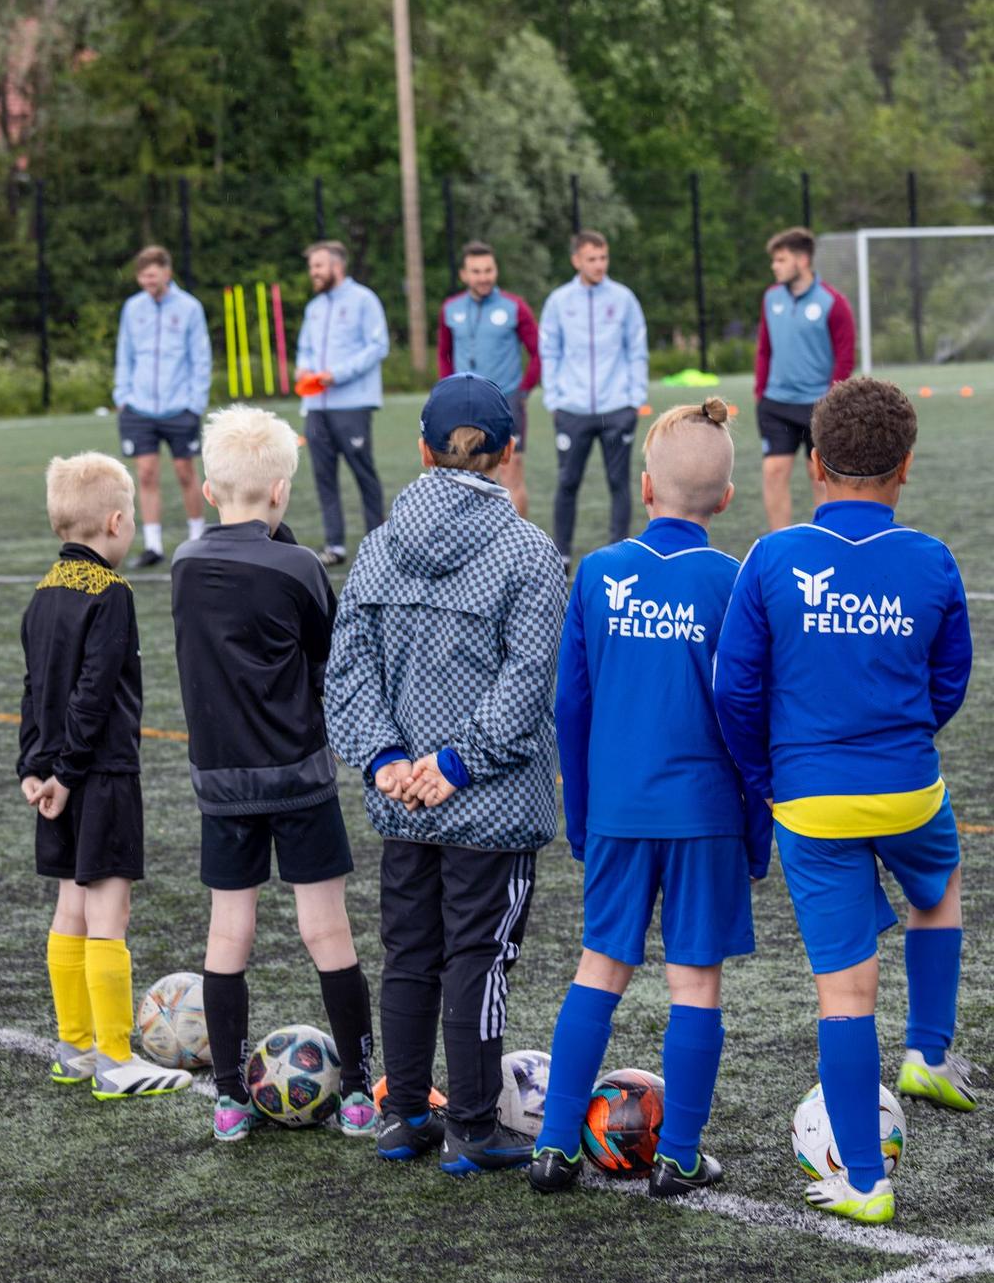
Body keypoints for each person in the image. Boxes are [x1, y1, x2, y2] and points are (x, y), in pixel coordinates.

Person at [714, 377, 974, 1227]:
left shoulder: (772, 556)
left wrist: (768, 777)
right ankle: (928, 1051)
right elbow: (950, 681)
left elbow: (734, 691)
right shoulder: (932, 558)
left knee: (847, 993)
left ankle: (865, 1180)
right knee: (939, 888)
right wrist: (899, 734)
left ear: (815, 464)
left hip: (810, 801)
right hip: (909, 790)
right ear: (906, 467)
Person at [324, 373, 566, 1176]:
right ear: (507, 453)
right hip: (489, 805)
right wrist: (457, 762)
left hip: (405, 801)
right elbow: (529, 680)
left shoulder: (379, 545)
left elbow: (347, 670)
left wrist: (387, 759)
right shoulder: (528, 551)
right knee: (478, 958)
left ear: (424, 451)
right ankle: (470, 1124)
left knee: (409, 952)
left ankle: (403, 1114)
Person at [529, 400, 771, 1197]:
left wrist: (583, 816)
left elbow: (570, 706)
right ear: (727, 497)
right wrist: (757, 830)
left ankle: (554, 1147)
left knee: (598, 967)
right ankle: (681, 1156)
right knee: (694, 981)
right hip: (707, 815)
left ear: (643, 486)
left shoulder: (599, 572)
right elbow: (751, 714)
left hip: (620, 813)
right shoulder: (734, 581)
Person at [170, 405, 378, 1143]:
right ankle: (359, 1092)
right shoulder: (299, 565)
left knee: (229, 933)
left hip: (222, 780)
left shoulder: (183, 564)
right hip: (298, 775)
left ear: (208, 490)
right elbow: (328, 658)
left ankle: (229, 1099)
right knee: (327, 928)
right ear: (282, 490)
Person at [17, 452, 192, 1099]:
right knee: (109, 911)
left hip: (57, 778)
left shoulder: (42, 593)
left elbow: (33, 690)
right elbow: (93, 694)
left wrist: (35, 768)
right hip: (102, 772)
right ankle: (117, 1059)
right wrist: (68, 771)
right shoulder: (112, 592)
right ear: (117, 523)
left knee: (71, 904)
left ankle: (76, 1048)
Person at [539, 229, 648, 569]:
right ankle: (562, 555)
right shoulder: (558, 302)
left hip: (617, 408)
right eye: (592, 259)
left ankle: (618, 555)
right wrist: (555, 399)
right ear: (576, 261)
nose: (599, 265)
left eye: (603, 258)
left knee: (619, 483)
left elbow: (637, 350)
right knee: (567, 482)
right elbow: (549, 352)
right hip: (572, 410)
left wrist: (634, 399)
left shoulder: (624, 299)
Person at [113, 245, 212, 568]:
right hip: (139, 408)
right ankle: (153, 545)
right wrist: (122, 396)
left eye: (153, 275)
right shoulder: (132, 308)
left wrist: (195, 403)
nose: (147, 282)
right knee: (145, 474)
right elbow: (125, 353)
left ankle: (197, 539)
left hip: (180, 407)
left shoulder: (189, 308)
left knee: (185, 472)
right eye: (142, 276)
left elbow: (200, 357)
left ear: (167, 273)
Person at [295, 240, 389, 567]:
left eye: (318, 266)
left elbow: (378, 346)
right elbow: (305, 348)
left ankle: (379, 543)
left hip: (352, 404)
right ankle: (334, 545)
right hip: (316, 406)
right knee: (324, 476)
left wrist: (338, 375)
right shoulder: (314, 308)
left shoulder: (364, 300)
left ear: (337, 266)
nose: (314, 272)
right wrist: (303, 368)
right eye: (312, 267)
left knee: (364, 474)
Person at [755, 227, 855, 532]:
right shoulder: (771, 298)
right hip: (776, 403)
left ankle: (824, 541)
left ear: (802, 260)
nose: (774, 266)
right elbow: (764, 349)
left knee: (819, 476)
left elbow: (845, 356)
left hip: (818, 406)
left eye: (781, 260)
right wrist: (761, 392)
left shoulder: (832, 302)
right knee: (773, 471)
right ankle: (779, 543)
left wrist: (830, 400)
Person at [437, 240, 540, 516]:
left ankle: (517, 538)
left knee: (511, 473)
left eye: (488, 270)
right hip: (465, 404)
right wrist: (448, 389)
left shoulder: (514, 306)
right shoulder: (450, 309)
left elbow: (538, 352)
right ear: (464, 275)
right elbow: (444, 354)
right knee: (465, 475)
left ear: (496, 271)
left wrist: (524, 390)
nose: (483, 277)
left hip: (506, 400)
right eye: (476, 271)